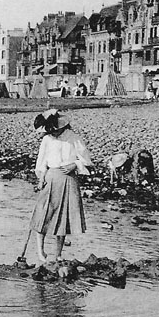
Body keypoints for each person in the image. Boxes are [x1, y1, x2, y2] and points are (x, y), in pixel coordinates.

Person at [27, 109, 92, 265]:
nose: (52, 134)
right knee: (43, 214)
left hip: (68, 180)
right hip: (50, 178)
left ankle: (58, 253)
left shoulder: (74, 138)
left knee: (63, 218)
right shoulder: (47, 140)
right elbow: (42, 163)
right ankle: (40, 250)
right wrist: (41, 178)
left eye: (54, 131)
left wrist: (74, 165)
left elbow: (86, 160)